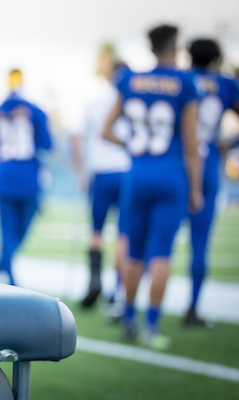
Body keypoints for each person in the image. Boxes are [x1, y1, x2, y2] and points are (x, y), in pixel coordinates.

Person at [102, 25, 203, 349]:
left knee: (133, 250)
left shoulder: (129, 79)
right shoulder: (185, 82)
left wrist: (132, 145)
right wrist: (197, 188)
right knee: (161, 251)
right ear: (176, 46)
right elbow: (191, 143)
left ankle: (129, 318)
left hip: (137, 171)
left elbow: (107, 130)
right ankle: (152, 327)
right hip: (171, 172)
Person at [72, 48, 132, 309]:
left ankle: (94, 281)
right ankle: (117, 293)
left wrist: (81, 170)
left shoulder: (95, 103)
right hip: (126, 172)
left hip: (101, 173)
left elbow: (76, 137)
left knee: (96, 231)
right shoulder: (131, 101)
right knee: (124, 234)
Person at [185, 39, 239, 326]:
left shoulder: (182, 79)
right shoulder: (227, 84)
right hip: (207, 165)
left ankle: (129, 307)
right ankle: (192, 308)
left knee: (153, 244)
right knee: (199, 244)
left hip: (177, 163)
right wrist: (229, 142)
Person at [0, 69, 52, 285]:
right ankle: (10, 278)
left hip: (4, 175)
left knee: (8, 233)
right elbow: (46, 144)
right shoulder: (34, 110)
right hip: (27, 177)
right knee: (19, 231)